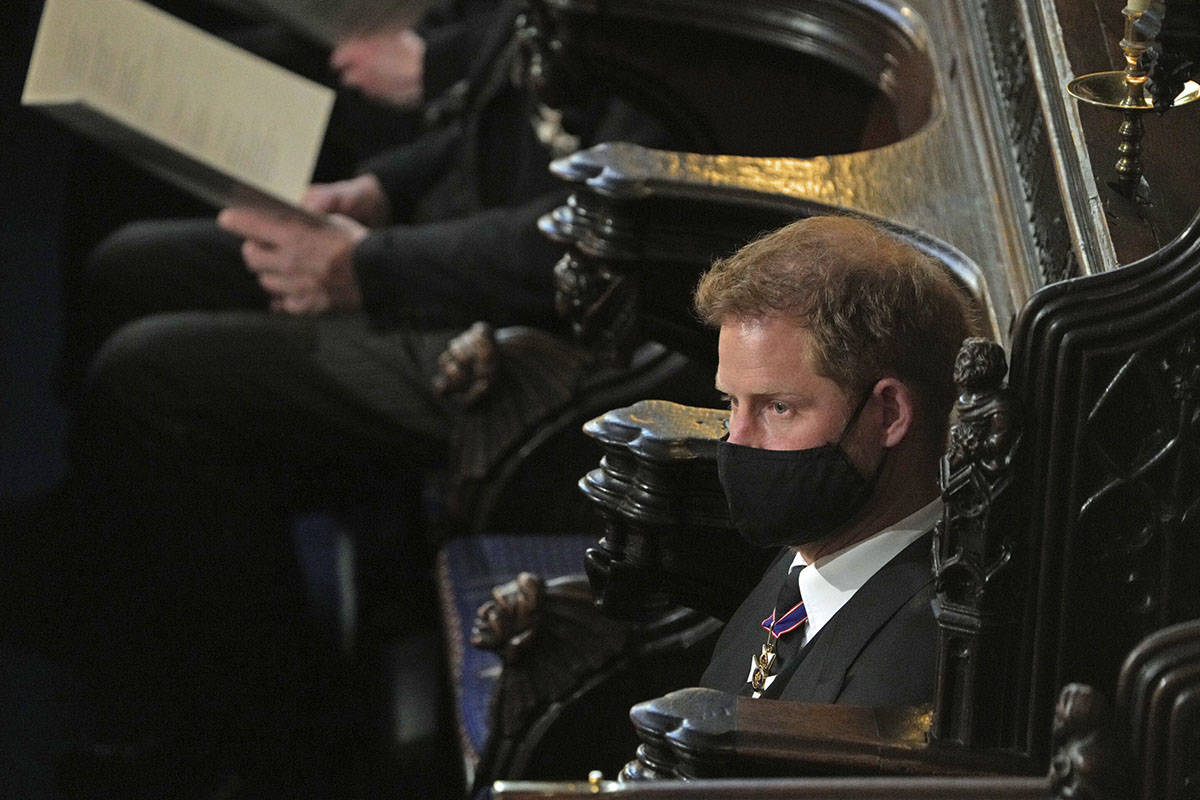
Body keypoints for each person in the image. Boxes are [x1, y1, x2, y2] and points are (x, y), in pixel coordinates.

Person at [693, 215, 975, 705]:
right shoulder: (815, 550)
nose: (737, 441)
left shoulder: (912, 667)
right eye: (731, 404)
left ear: (888, 414)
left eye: (778, 408)